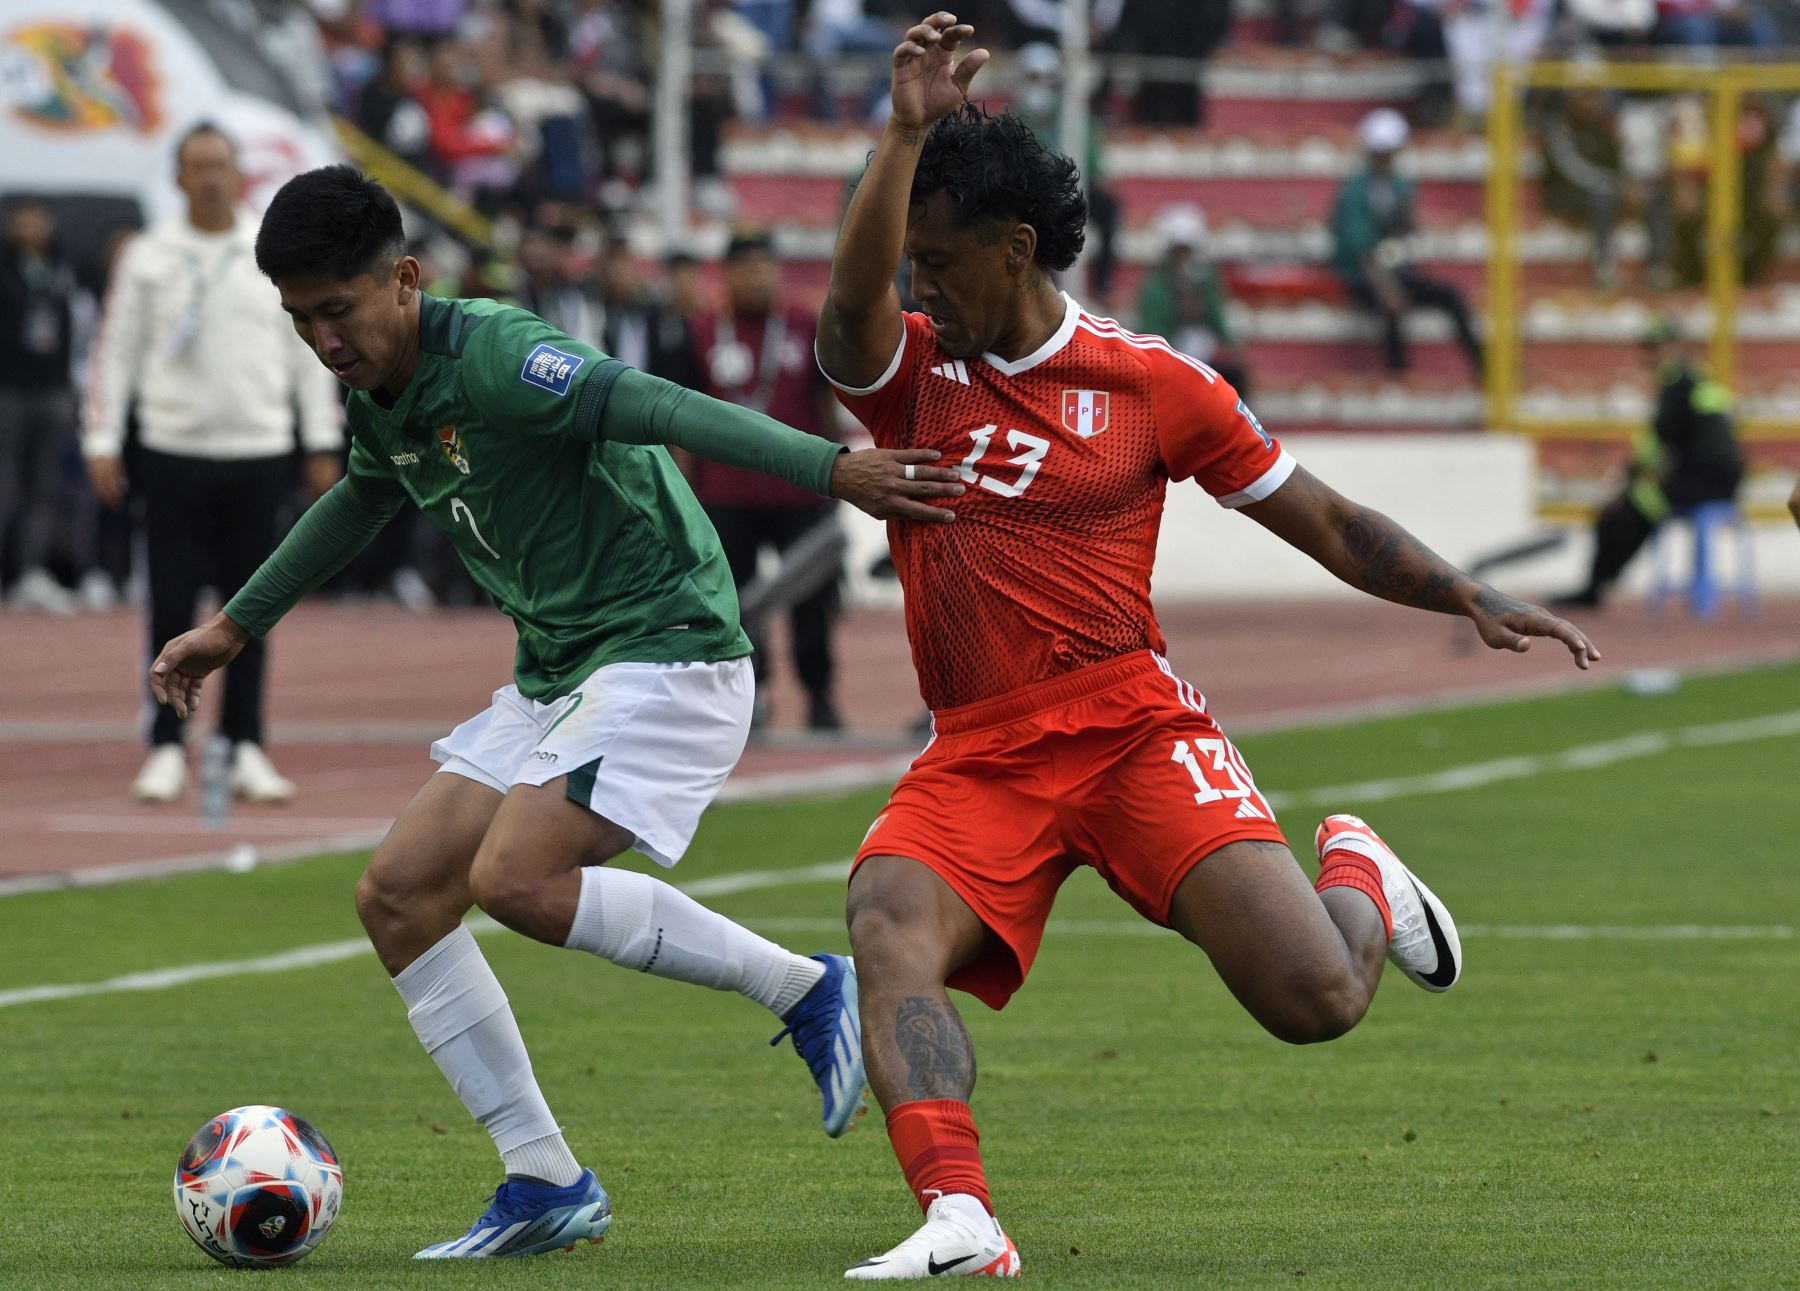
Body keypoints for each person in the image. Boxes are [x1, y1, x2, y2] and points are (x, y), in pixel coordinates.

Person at [816, 14, 1599, 1279]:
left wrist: (1467, 595)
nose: (918, 287)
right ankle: (960, 1212)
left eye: (940, 263)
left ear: (1016, 250)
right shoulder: (914, 371)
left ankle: (1362, 871)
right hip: (979, 751)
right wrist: (901, 136)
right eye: (910, 262)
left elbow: (1323, 517)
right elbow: (848, 311)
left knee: (1318, 1002)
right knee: (885, 912)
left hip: (1130, 727)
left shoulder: (1149, 383)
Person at [146, 164, 964, 1260]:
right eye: (301, 319)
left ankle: (810, 988)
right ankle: (543, 1178)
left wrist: (833, 468)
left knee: (515, 879)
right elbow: (363, 496)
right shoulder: (380, 391)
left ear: (404, 277)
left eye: (336, 311)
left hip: (667, 647)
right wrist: (235, 627)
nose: (323, 341)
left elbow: (655, 403)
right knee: (397, 896)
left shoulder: (495, 354)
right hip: (560, 671)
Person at [83, 123, 345, 805]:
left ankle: (245, 741)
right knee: (169, 601)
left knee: (254, 605)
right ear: (176, 177)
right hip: (172, 450)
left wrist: (320, 437)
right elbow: (115, 351)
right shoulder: (149, 254)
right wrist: (103, 438)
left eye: (220, 166)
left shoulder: (267, 251)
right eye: (196, 167)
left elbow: (306, 347)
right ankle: (168, 745)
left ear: (238, 174)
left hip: (259, 449)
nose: (209, 179)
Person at [691, 229, 845, 731]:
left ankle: (820, 696)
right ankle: (749, 702)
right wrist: (687, 496)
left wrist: (835, 475)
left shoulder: (806, 325)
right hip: (725, 495)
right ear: (728, 274)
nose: (758, 277)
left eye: (766, 267)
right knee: (732, 606)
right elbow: (680, 419)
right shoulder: (701, 331)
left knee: (813, 602)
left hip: (799, 491)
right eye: (747, 268)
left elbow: (826, 406)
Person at [1556, 318, 1744, 609]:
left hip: (1701, 483)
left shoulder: (1676, 382)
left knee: (1622, 512)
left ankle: (1594, 587)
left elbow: (1659, 443)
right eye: (1651, 348)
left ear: (1676, 347)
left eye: (1659, 347)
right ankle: (1597, 583)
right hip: (1721, 481)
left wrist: (1625, 484)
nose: (1654, 354)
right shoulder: (1698, 378)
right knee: (1633, 505)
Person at [1330, 108, 1483, 379]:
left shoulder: (1400, 186)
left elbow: (1405, 233)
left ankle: (1485, 368)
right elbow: (1360, 251)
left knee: (1451, 297)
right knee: (1392, 305)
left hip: (1395, 270)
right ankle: (1398, 374)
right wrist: (1386, 287)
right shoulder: (1355, 192)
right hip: (1362, 276)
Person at [0, 197, 84, 613]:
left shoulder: (62, 270)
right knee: (6, 485)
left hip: (52, 391)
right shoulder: (6, 272)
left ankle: (29, 572)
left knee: (43, 487)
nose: (31, 229)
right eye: (23, 222)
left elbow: (73, 329)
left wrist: (69, 383)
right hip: (10, 391)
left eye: (39, 221)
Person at [1135, 203, 1249, 395]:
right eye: (1179, 250)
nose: (1184, 257)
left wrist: (1230, 346)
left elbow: (1217, 316)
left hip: (1206, 354)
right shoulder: (1156, 286)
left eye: (1187, 250)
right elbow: (1152, 331)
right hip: (1171, 355)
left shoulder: (1207, 280)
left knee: (1234, 375)